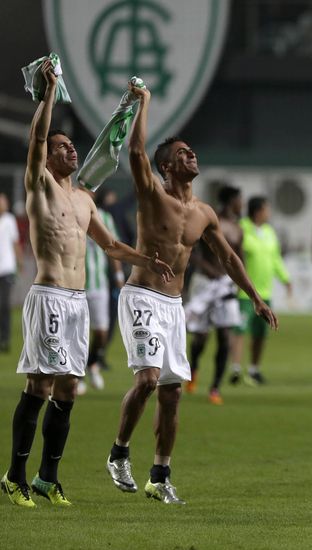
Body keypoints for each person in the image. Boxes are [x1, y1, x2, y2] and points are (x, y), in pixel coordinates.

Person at [2, 60, 174, 508]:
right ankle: (14, 476)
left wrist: (146, 259)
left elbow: (110, 245)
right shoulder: (39, 184)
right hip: (49, 295)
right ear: (48, 156)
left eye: (73, 147)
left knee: (68, 389)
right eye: (63, 147)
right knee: (39, 386)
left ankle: (47, 478)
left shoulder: (84, 199)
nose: (71, 151)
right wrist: (49, 93)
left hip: (77, 301)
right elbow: (36, 139)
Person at [105, 84, 277, 505]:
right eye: (182, 153)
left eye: (192, 151)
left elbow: (229, 257)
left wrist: (255, 296)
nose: (191, 155)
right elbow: (136, 151)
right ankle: (119, 453)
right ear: (166, 166)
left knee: (172, 391)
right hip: (142, 295)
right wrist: (144, 103)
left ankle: (160, 475)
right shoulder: (153, 193)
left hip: (174, 305)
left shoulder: (204, 213)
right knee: (147, 380)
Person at [184, 185, 244, 405]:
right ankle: (194, 368)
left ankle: (215, 387)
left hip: (226, 285)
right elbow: (190, 250)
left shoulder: (238, 228)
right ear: (230, 201)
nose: (242, 204)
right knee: (200, 337)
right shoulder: (209, 220)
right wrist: (206, 268)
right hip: (204, 282)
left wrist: (241, 283)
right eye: (239, 200)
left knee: (225, 336)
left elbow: (239, 258)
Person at [228, 196, 291, 386]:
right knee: (239, 329)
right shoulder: (241, 229)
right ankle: (236, 368)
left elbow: (275, 259)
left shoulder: (269, 232)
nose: (268, 213)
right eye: (266, 209)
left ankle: (254, 370)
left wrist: (286, 279)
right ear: (258, 211)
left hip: (266, 292)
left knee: (260, 333)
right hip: (245, 293)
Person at [79, 193, 126, 393]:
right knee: (79, 332)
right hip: (77, 284)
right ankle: (78, 375)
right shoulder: (72, 212)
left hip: (99, 284)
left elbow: (111, 247)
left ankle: (92, 364)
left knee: (101, 332)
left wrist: (118, 275)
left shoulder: (105, 217)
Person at [0, 192, 23, 352]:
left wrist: (19, 262)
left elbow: (15, 243)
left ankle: (5, 338)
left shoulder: (9, 220)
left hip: (6, 268)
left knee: (4, 304)